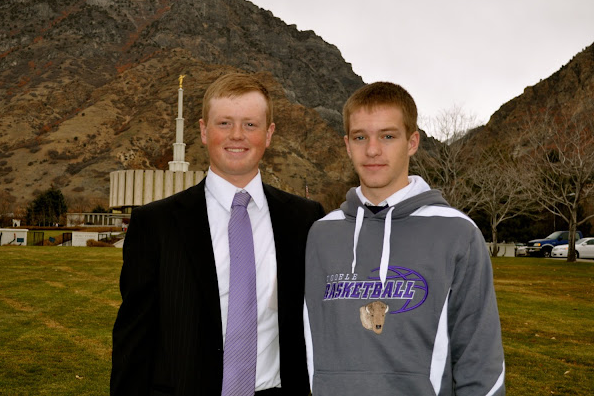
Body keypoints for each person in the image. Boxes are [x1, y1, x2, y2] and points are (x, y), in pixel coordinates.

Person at [111, 72, 325, 396]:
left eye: (250, 124)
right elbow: (133, 344)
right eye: (224, 123)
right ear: (203, 130)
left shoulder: (306, 220)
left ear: (268, 134)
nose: (237, 135)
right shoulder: (155, 224)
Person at [303, 82, 505, 395]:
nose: (372, 150)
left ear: (412, 142)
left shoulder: (457, 233)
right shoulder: (321, 234)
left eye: (387, 136)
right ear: (347, 145)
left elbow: (480, 360)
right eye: (360, 137)